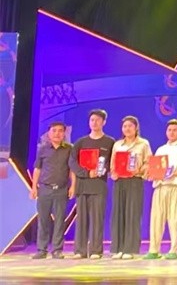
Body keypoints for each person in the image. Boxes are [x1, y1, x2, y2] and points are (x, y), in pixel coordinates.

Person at [143, 119, 177, 260]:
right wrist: (151, 174)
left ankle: (174, 249)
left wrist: (172, 173)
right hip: (160, 187)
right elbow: (155, 168)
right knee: (156, 219)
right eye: (169, 130)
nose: (171, 132)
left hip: (175, 187)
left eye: (175, 130)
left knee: (175, 219)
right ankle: (154, 249)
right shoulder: (161, 149)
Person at [68, 109, 116, 259]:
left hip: (99, 185)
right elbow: (72, 162)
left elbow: (112, 162)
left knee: (97, 219)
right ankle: (80, 251)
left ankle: (96, 250)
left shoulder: (110, 142)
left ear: (104, 122)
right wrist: (86, 173)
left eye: (98, 120)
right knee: (81, 219)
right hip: (82, 185)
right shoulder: (81, 142)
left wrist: (103, 170)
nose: (94, 123)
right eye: (92, 120)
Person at [30, 121, 75, 259]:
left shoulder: (69, 149)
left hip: (61, 189)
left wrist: (73, 186)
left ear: (64, 133)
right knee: (43, 220)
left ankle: (57, 250)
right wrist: (34, 187)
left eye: (60, 131)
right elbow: (37, 169)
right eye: (54, 130)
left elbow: (72, 169)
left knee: (60, 220)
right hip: (44, 189)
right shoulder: (43, 149)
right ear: (49, 133)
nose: (57, 133)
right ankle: (41, 250)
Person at [110, 116, 152, 260]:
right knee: (119, 214)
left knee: (132, 214)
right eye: (125, 126)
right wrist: (114, 173)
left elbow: (148, 162)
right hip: (120, 181)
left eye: (130, 126)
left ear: (136, 128)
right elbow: (112, 164)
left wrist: (139, 170)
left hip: (135, 181)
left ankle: (130, 248)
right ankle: (118, 248)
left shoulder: (143, 144)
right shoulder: (117, 145)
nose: (127, 129)